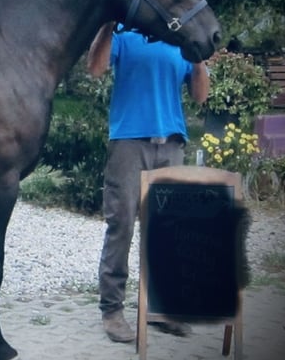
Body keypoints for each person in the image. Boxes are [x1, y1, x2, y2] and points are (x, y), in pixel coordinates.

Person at [86, 22, 210, 343]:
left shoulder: (178, 41)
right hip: (129, 142)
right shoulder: (124, 36)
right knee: (122, 225)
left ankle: (161, 310)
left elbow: (200, 95)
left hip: (171, 144)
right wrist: (107, 27)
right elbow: (96, 69)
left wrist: (197, 56)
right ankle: (112, 310)